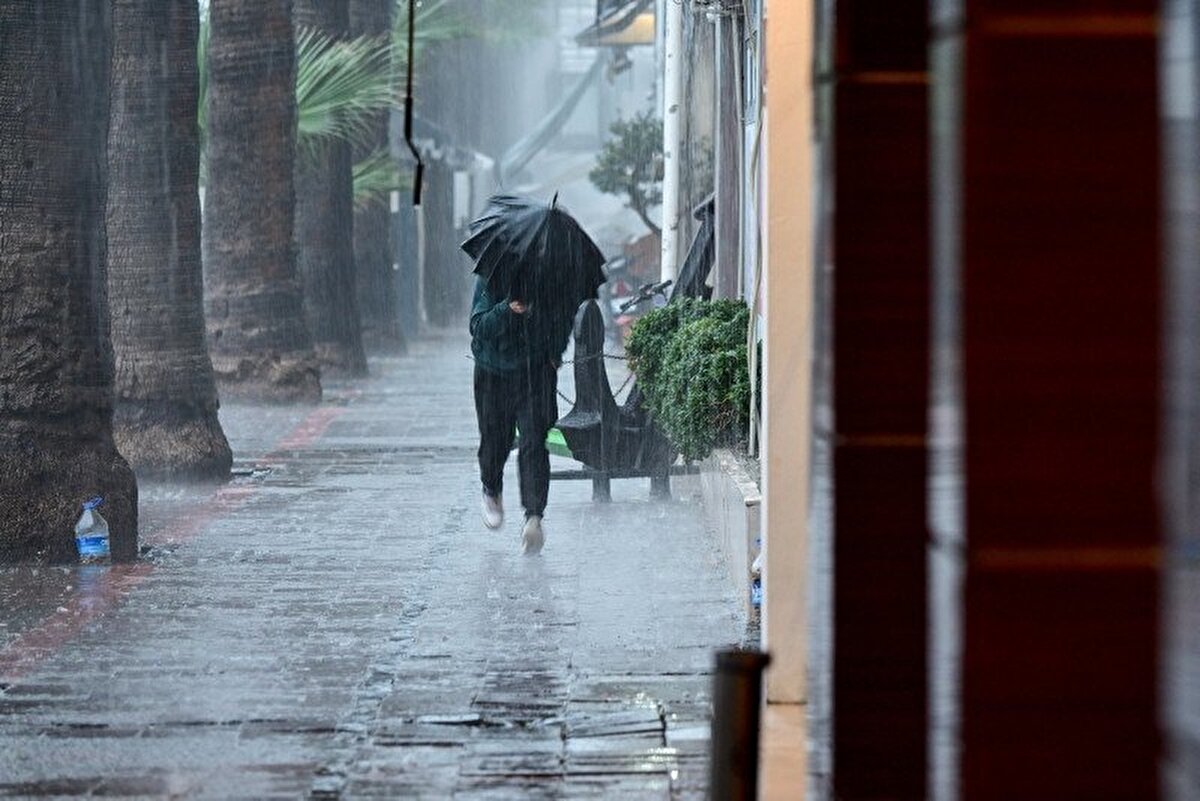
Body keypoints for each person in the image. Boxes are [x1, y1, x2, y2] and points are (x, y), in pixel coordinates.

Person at [470, 275, 574, 554]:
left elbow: (563, 320)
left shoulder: (550, 278)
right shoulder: (491, 277)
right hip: (494, 374)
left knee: (533, 442)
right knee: (495, 441)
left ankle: (534, 516)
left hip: (535, 374)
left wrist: (554, 352)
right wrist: (507, 309)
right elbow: (478, 326)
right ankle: (491, 488)